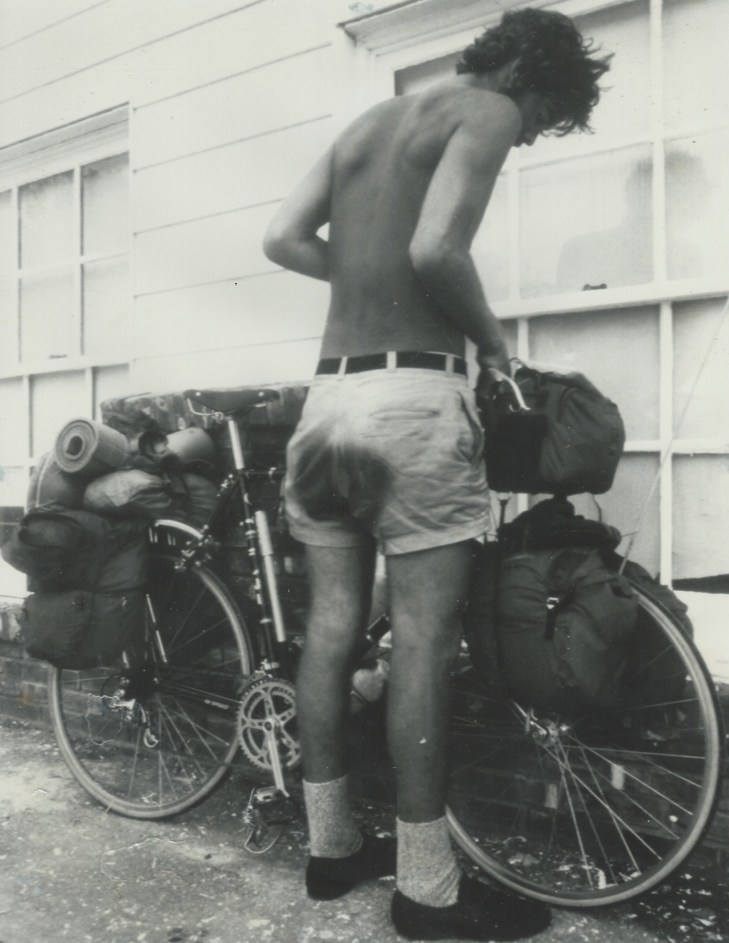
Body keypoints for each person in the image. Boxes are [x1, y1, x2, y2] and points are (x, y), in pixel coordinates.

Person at [262, 7, 610, 940]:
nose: (529, 134)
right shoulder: (485, 111)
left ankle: (331, 850)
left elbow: (284, 240)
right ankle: (427, 891)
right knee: (421, 639)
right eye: (543, 118)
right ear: (531, 81)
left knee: (333, 629)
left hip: (326, 404)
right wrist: (492, 349)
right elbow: (435, 249)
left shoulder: (367, 125)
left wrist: (364, 283)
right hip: (410, 403)